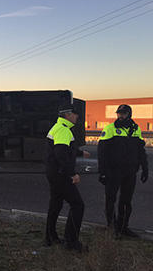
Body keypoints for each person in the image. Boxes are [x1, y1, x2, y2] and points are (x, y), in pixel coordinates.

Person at [98, 104, 148, 238]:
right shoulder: (110, 128)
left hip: (130, 171)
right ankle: (112, 228)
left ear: (129, 114)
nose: (121, 116)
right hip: (113, 171)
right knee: (110, 199)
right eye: (119, 113)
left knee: (126, 201)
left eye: (124, 113)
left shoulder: (136, 129)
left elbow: (141, 150)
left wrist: (145, 168)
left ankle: (123, 227)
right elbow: (101, 152)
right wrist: (102, 172)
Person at [45, 104, 90, 252]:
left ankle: (50, 238)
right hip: (61, 175)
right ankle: (71, 242)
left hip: (54, 173)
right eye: (75, 114)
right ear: (68, 115)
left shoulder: (58, 127)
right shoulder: (64, 130)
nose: (77, 116)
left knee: (55, 205)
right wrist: (72, 174)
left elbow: (63, 149)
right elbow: (61, 154)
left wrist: (78, 153)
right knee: (78, 205)